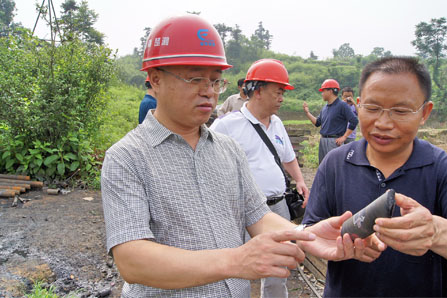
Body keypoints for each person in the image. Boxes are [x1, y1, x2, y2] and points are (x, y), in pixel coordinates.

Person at [101, 15, 372, 298]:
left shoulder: (228, 149)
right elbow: (132, 260)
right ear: (155, 80)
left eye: (216, 81)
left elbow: (258, 216)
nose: (209, 92)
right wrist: (237, 260)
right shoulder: (126, 158)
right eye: (195, 79)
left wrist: (309, 235)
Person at [302, 56, 447, 297]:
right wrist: (317, 240)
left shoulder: (440, 167)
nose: (383, 123)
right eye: (372, 108)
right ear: (358, 105)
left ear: (425, 113)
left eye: (400, 111)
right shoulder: (335, 163)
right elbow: (310, 229)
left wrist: (435, 232)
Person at [211, 58, 309, 298]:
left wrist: (300, 180)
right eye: (278, 91)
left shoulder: (277, 123)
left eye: (283, 92)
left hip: (278, 209)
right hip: (243, 212)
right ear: (259, 91)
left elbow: (287, 157)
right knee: (239, 269)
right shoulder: (226, 126)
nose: (282, 98)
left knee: (278, 269)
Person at [302, 79, 358, 164]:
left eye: (323, 91)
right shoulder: (325, 108)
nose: (322, 94)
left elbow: (354, 120)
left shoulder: (342, 105)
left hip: (334, 142)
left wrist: (344, 137)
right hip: (323, 140)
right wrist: (307, 112)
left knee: (335, 167)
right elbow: (317, 123)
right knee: (323, 167)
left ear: (331, 91)